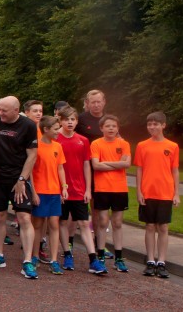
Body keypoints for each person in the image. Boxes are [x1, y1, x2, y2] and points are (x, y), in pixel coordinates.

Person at [0, 96, 40, 278]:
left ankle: (28, 261)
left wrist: (22, 179)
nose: (0, 113)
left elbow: (32, 155)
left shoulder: (29, 126)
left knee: (24, 216)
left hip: (19, 178)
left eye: (4, 110)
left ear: (16, 110)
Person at [54, 106, 104, 274]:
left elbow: (86, 165)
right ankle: (67, 253)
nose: (70, 122)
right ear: (60, 120)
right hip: (60, 189)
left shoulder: (83, 140)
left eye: (73, 119)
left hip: (79, 189)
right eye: (67, 119)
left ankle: (93, 259)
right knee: (62, 222)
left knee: (83, 223)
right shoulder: (55, 139)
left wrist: (88, 189)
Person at [135, 111, 179, 278]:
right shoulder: (142, 145)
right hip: (148, 191)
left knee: (163, 227)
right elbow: (139, 169)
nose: (152, 127)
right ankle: (150, 260)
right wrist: (139, 190)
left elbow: (175, 170)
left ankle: (162, 261)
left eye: (155, 124)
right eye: (149, 124)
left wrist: (177, 193)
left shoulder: (173, 146)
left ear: (163, 125)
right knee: (150, 226)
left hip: (166, 192)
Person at [91, 114, 131, 272]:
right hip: (102, 187)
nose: (111, 129)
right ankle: (100, 253)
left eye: (114, 126)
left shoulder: (124, 143)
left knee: (118, 223)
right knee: (102, 222)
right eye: (108, 126)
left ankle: (119, 257)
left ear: (118, 128)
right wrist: (118, 164)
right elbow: (96, 165)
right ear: (101, 128)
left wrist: (105, 163)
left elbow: (127, 164)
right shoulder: (96, 144)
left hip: (119, 188)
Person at [29, 116, 68, 275]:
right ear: (46, 129)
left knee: (54, 224)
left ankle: (53, 260)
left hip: (54, 192)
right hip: (40, 191)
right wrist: (33, 192)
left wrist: (64, 187)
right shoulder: (35, 146)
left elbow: (60, 168)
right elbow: (30, 170)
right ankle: (34, 256)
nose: (58, 131)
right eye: (56, 129)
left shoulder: (58, 146)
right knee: (37, 225)